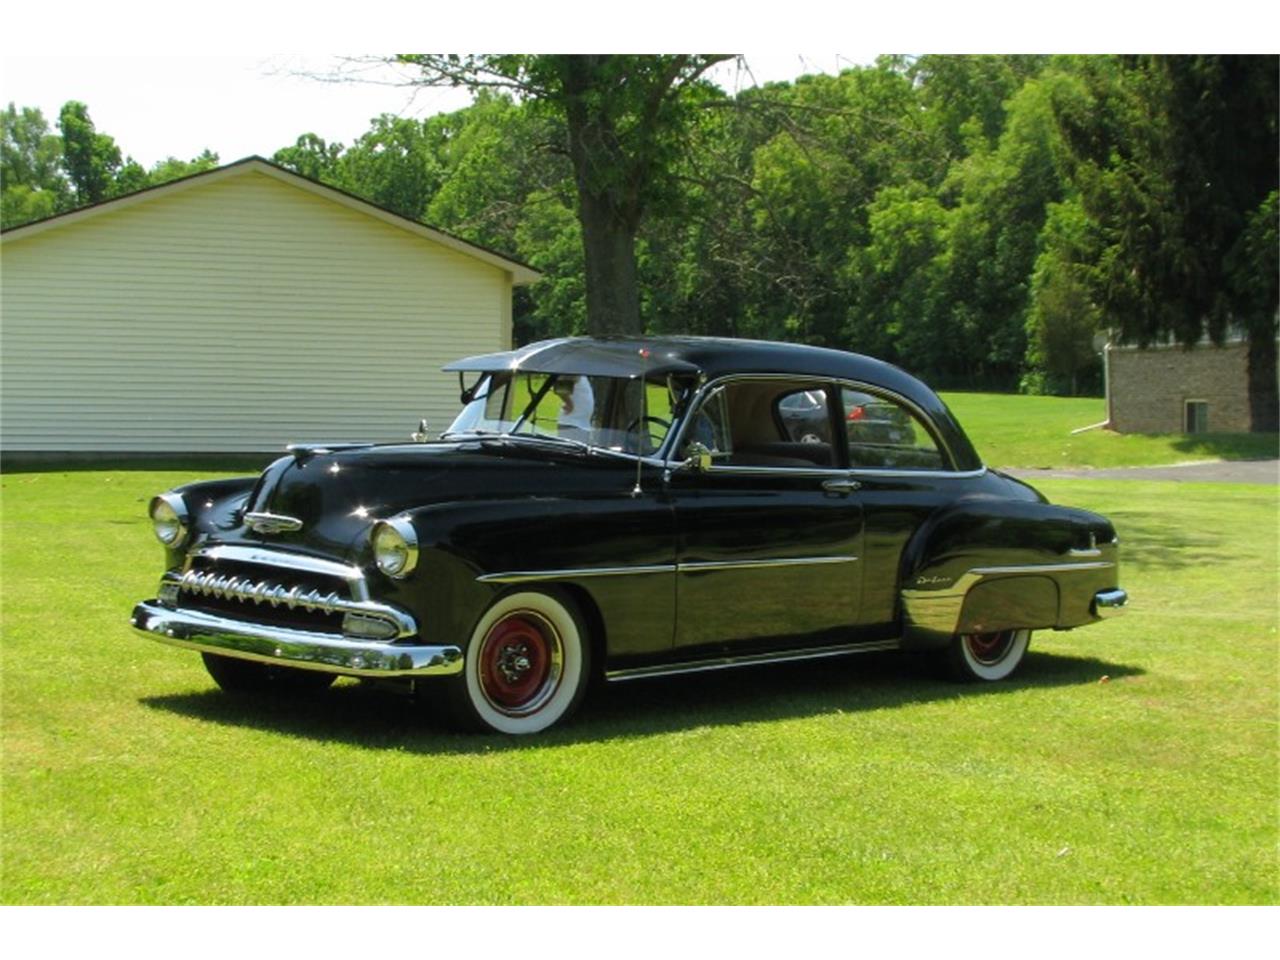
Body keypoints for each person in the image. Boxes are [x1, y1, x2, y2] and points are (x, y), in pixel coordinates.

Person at [553, 376, 595, 443]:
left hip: (581, 425)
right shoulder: (576, 372)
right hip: (572, 424)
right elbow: (560, 384)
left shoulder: (582, 374)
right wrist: (569, 403)